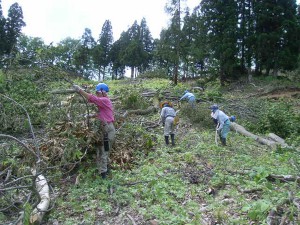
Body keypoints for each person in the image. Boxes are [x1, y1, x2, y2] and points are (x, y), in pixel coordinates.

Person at [73, 83, 116, 179]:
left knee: (104, 151)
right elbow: (102, 113)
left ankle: (103, 175)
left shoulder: (104, 100)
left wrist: (80, 90)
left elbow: (92, 99)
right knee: (103, 150)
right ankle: (105, 169)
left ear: (103, 92)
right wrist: (91, 116)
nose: (96, 94)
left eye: (97, 92)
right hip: (106, 128)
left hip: (108, 129)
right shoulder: (104, 102)